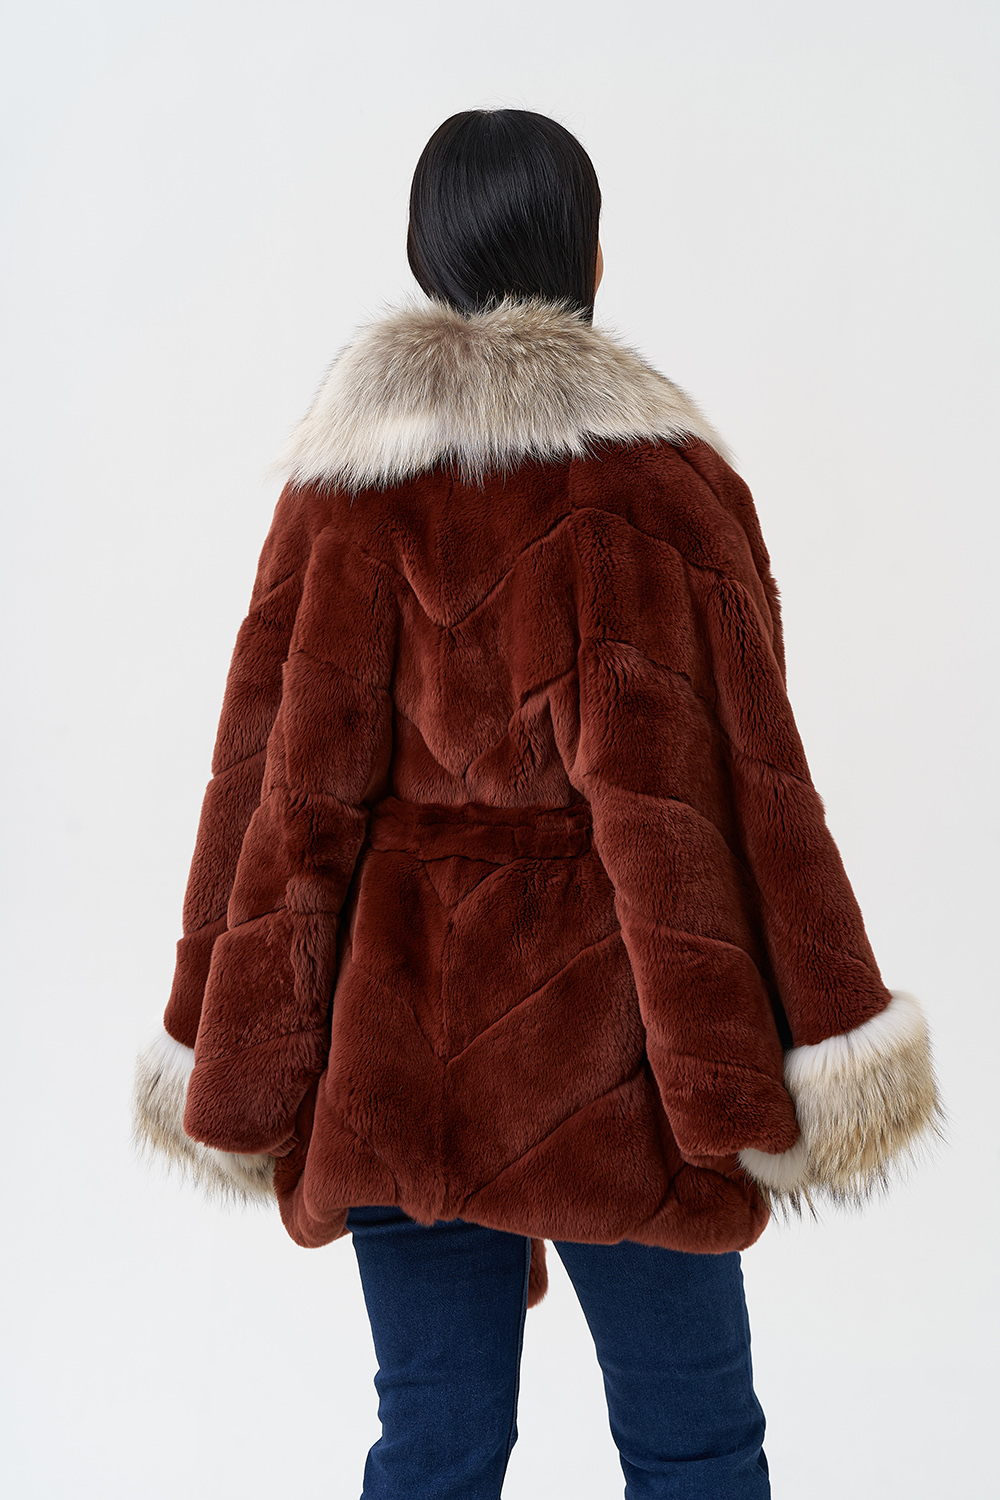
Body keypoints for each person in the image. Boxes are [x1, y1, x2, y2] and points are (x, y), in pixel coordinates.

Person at [132, 108, 942, 1499]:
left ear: (422, 260)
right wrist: (789, 1056)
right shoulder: (663, 492)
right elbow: (733, 801)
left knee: (433, 1447)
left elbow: (276, 803)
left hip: (392, 1065)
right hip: (616, 1072)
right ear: (593, 259)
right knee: (697, 1447)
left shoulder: (338, 500)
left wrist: (228, 1046)